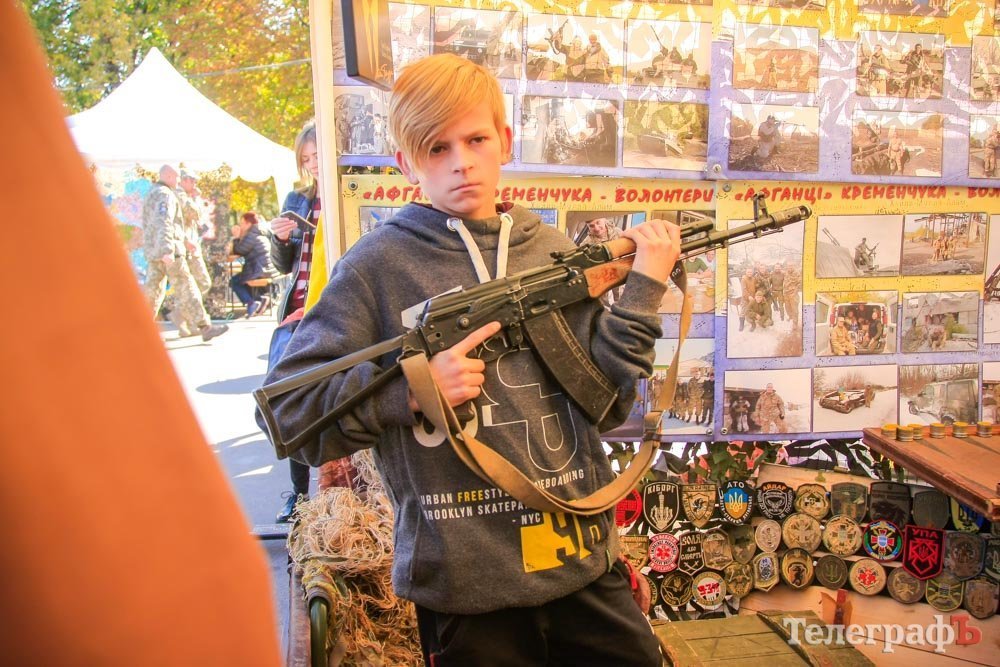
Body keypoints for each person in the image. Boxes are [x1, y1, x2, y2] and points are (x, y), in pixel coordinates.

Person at [258, 53, 676, 666]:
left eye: (476, 139)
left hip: (580, 560)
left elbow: (608, 407)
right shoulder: (377, 268)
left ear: (504, 140)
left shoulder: (553, 252)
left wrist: (643, 292)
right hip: (466, 586)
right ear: (405, 164)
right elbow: (289, 415)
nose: (461, 161)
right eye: (436, 148)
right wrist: (412, 390)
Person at [142, 164, 228, 342]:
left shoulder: (151, 193)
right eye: (177, 178)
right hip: (170, 250)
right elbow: (164, 221)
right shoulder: (166, 195)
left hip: (154, 251)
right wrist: (167, 249)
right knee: (187, 287)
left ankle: (140, 329)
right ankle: (205, 326)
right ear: (169, 176)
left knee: (152, 292)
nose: (178, 181)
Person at [229, 212, 276, 318]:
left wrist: (236, 237)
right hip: (266, 269)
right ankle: (259, 299)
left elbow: (239, 250)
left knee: (234, 281)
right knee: (241, 279)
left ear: (248, 223)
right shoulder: (259, 232)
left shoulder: (251, 235)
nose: (240, 226)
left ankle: (252, 303)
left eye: (242, 223)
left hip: (259, 270)